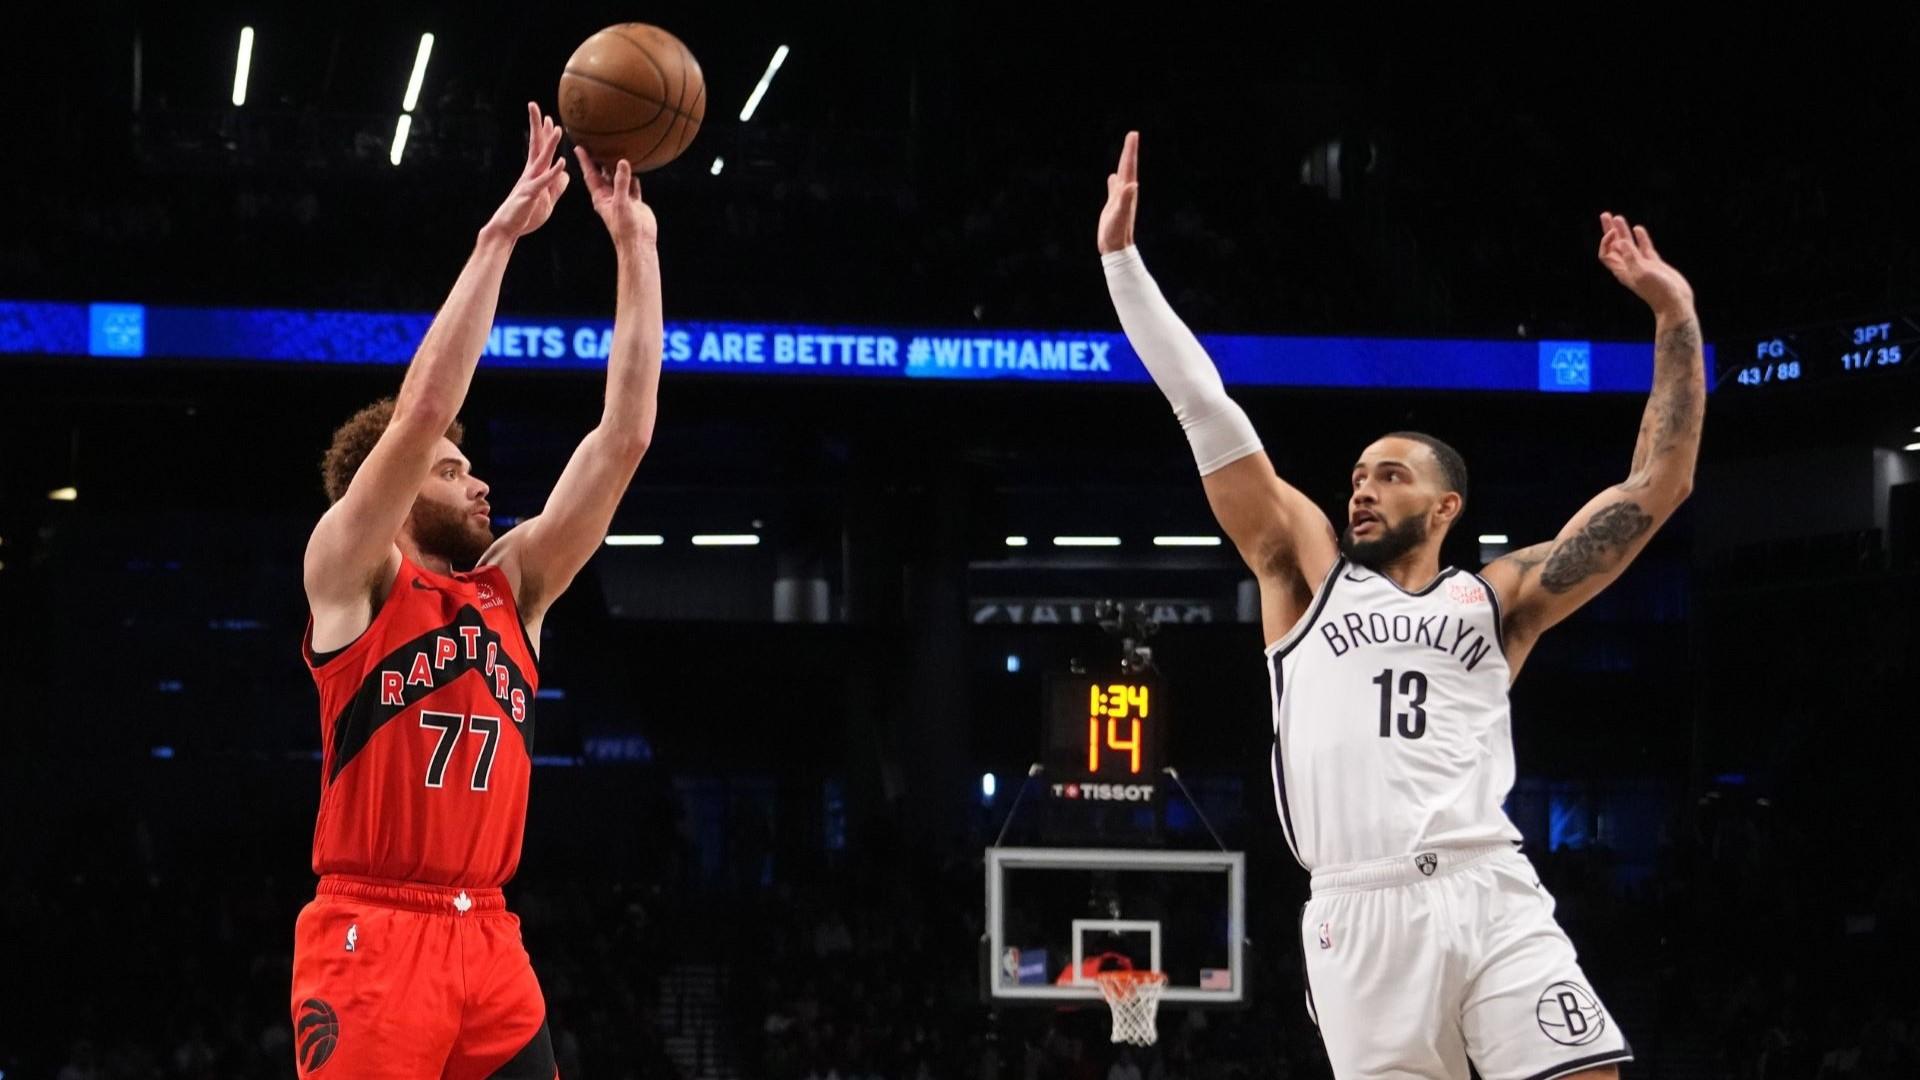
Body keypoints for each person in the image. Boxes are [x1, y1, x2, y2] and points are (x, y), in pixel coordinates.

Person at [1097, 130, 1703, 1080]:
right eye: (1356, 475)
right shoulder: (1304, 582)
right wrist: (1123, 265)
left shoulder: (1498, 600)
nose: (1362, 489)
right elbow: (1207, 407)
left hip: (1489, 886)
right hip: (1359, 908)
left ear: (1446, 505)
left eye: (1390, 474)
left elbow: (1656, 486)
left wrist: (1676, 313)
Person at [289, 103, 664, 1078]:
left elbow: (622, 441)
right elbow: (421, 411)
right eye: (453, 470)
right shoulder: (349, 576)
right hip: (372, 931)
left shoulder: (513, 591)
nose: (479, 479)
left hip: (490, 938)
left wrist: (636, 248)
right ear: (396, 485)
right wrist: (500, 238)